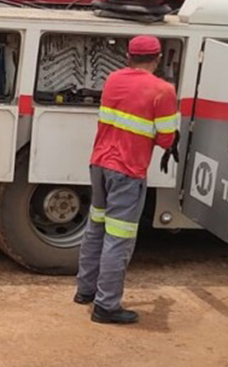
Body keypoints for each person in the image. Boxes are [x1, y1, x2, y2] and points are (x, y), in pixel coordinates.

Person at [75, 35, 179, 325]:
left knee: (96, 228)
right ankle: (106, 306)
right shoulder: (163, 90)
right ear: (158, 59)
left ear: (128, 56)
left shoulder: (113, 80)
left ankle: (85, 291)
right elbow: (167, 138)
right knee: (118, 239)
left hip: (99, 165)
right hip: (128, 171)